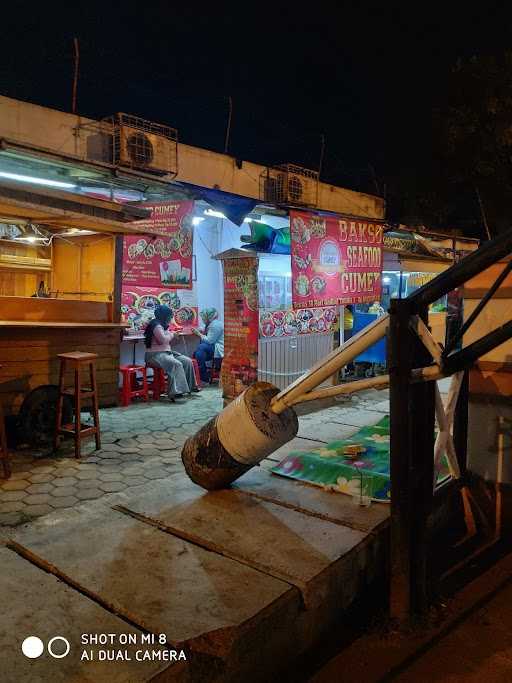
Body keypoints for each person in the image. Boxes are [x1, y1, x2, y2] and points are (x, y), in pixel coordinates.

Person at [144, 305, 199, 400]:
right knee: (176, 364)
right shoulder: (156, 325)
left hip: (166, 353)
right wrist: (172, 334)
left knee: (187, 361)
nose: (170, 318)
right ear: (164, 315)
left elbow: (168, 341)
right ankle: (176, 392)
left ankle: (190, 387)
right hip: (154, 355)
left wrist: (174, 336)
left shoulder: (163, 325)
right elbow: (163, 340)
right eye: (169, 316)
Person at [192, 308, 224, 383]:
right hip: (214, 346)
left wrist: (199, 334)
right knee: (197, 353)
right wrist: (200, 330)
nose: (203, 319)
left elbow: (210, 341)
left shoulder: (215, 325)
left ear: (209, 316)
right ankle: (201, 375)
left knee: (201, 348)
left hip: (219, 347)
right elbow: (205, 328)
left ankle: (203, 376)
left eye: (204, 317)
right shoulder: (212, 323)